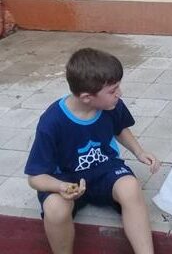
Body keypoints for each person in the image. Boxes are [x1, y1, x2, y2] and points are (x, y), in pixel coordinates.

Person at [25, 48, 160, 254]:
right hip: (66, 178)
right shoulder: (52, 122)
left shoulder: (111, 105)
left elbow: (120, 128)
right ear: (87, 97)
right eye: (113, 90)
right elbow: (35, 177)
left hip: (105, 170)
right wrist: (60, 187)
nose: (120, 93)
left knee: (131, 187)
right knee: (55, 209)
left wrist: (139, 152)